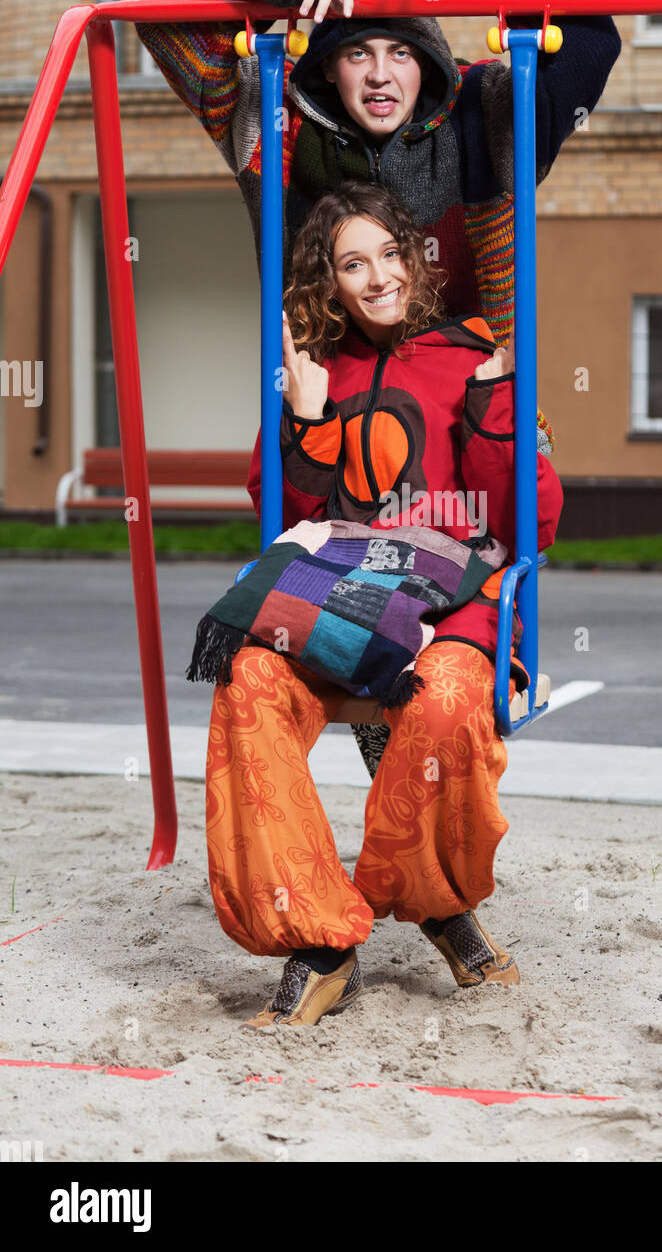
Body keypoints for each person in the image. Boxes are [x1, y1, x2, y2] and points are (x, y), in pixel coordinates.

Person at [134, 0, 619, 789]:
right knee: (342, 605)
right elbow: (166, 28)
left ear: (430, 60)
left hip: (466, 397)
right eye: (358, 51)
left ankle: (440, 793)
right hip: (341, 397)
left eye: (402, 49)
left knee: (444, 651)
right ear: (328, 69)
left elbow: (592, 39)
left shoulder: (484, 114)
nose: (382, 73)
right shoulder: (275, 125)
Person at [205, 181, 563, 1027]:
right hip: (341, 596)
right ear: (327, 282)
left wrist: (496, 409)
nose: (377, 278)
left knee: (442, 701)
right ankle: (323, 940)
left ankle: (432, 901)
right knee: (248, 679)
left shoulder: (467, 352)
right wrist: (303, 419)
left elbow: (532, 522)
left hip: (448, 600)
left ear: (415, 260)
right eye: (351, 264)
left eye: (390, 255)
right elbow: (284, 513)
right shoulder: (313, 369)